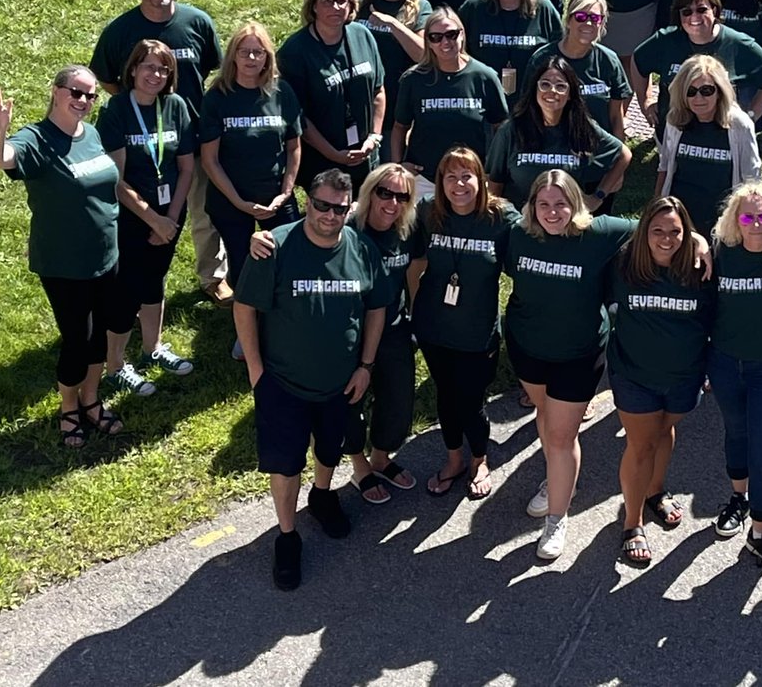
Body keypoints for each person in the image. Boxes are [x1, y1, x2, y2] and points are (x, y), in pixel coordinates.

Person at [233, 169, 389, 590]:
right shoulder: (275, 247)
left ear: (350, 207)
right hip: (282, 382)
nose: (330, 215)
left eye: (340, 208)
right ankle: (287, 536)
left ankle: (322, 495)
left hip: (342, 381)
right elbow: (244, 307)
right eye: (321, 205)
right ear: (307, 201)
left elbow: (376, 306)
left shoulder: (361, 248)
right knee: (285, 464)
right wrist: (255, 371)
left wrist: (366, 365)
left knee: (330, 447)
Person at [250, 163, 422, 503]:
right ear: (368, 193)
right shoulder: (347, 224)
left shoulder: (408, 228)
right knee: (349, 408)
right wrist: (257, 237)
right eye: (384, 192)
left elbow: (415, 270)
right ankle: (359, 464)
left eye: (401, 196)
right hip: (348, 334)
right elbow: (306, 236)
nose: (392, 202)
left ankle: (381, 457)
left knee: (398, 401)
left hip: (393, 327)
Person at [0, 67, 123, 447]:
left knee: (100, 335)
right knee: (78, 339)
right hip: (65, 263)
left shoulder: (90, 134)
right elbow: (0, 159)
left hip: (106, 255)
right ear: (57, 92)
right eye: (76, 92)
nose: (83, 101)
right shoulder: (37, 138)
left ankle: (92, 400)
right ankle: (69, 408)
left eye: (91, 96)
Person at [504, 170, 639, 559]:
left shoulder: (598, 234)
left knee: (562, 436)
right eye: (543, 204)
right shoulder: (518, 233)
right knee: (545, 417)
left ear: (576, 203)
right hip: (527, 348)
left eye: (561, 203)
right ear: (532, 206)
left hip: (579, 354)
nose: (552, 212)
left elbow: (655, 222)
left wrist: (695, 239)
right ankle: (559, 478)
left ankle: (557, 518)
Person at [89, 0, 228, 305]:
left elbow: (212, 66)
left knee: (205, 210)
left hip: (192, 137)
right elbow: (105, 79)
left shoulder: (197, 22)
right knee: (138, 218)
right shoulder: (120, 31)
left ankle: (213, 276)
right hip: (138, 148)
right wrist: (138, 108)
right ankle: (134, 285)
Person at [410, 147, 520, 499]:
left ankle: (479, 459)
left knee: (471, 400)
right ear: (440, 182)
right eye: (450, 176)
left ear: (481, 180)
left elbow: (543, 237)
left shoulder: (500, 217)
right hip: (434, 326)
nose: (459, 184)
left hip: (477, 332)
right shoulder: (429, 213)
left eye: (467, 175)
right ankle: (454, 459)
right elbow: (380, 225)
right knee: (445, 394)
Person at [608, 196, 714, 564]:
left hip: (684, 377)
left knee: (663, 432)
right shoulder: (623, 264)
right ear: (644, 233)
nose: (666, 239)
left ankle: (655, 491)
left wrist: (700, 242)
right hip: (634, 374)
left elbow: (717, 320)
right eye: (657, 231)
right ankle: (632, 523)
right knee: (640, 445)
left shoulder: (702, 269)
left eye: (675, 231)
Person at [706, 182, 762, 577]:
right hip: (725, 364)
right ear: (735, 221)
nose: (756, 224)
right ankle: (738, 499)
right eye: (748, 216)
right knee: (736, 433)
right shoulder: (718, 255)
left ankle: (761, 533)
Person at [96, 40, 196, 397]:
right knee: (128, 290)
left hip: (171, 211)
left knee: (155, 279)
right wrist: (154, 219)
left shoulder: (176, 106)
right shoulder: (117, 110)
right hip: (132, 217)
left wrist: (171, 217)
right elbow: (116, 180)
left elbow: (186, 168)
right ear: (133, 69)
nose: (156, 74)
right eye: (149, 67)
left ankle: (153, 348)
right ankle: (115, 365)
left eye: (163, 68)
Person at [200, 23, 303, 358]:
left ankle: (285, 326)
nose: (251, 58)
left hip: (276, 197)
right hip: (232, 200)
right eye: (244, 52)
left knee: (287, 260)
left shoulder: (281, 93)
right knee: (243, 265)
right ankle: (246, 334)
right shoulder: (217, 97)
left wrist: (286, 192)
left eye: (258, 52)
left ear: (267, 57)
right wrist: (239, 202)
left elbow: (294, 146)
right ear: (232, 57)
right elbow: (210, 160)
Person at [632, 0, 762, 138]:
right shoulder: (665, 40)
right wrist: (645, 101)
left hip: (721, 139)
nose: (694, 17)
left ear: (715, 10)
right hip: (672, 134)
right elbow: (637, 61)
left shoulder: (737, 43)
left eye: (702, 9)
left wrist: (750, 116)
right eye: (687, 12)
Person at [277, 0, 386, 193]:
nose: (335, 7)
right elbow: (299, 118)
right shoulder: (295, 51)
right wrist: (334, 154)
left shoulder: (362, 35)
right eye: (327, 1)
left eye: (341, 1)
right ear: (314, 6)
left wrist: (374, 137)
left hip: (365, 155)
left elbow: (378, 91)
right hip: (322, 162)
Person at [391, 7, 508, 198]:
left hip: (470, 181)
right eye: (436, 37)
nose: (445, 42)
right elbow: (400, 126)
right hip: (425, 179)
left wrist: (491, 172)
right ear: (428, 41)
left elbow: (501, 129)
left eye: (451, 35)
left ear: (462, 34)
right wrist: (399, 167)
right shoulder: (413, 79)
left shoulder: (484, 76)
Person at [487, 55, 630, 209]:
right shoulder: (511, 130)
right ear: (535, 89)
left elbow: (624, 155)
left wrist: (598, 196)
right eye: (545, 84)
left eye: (561, 86)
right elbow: (494, 184)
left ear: (570, 95)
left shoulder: (582, 127)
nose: (552, 91)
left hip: (567, 223)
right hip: (521, 222)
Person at [655, 56, 761, 237]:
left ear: (720, 91)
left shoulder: (739, 125)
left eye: (706, 90)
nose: (698, 98)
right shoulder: (675, 120)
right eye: (691, 91)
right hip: (679, 220)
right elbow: (665, 167)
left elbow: (751, 180)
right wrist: (656, 208)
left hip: (722, 221)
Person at [523, 0, 631, 138]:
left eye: (595, 18)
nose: (588, 23)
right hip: (553, 150)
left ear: (602, 23)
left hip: (596, 149)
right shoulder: (542, 59)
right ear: (568, 20)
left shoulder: (609, 61)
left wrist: (617, 152)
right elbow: (528, 109)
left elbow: (616, 116)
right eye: (580, 16)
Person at [358, 0, 433, 162]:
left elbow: (422, 55)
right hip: (360, 99)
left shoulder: (420, 7)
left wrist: (393, 24)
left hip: (396, 103)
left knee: (389, 169)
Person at [458, 0, 563, 92]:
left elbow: (560, 51)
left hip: (531, 98)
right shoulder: (474, 7)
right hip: (482, 95)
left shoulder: (543, 8)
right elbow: (457, 49)